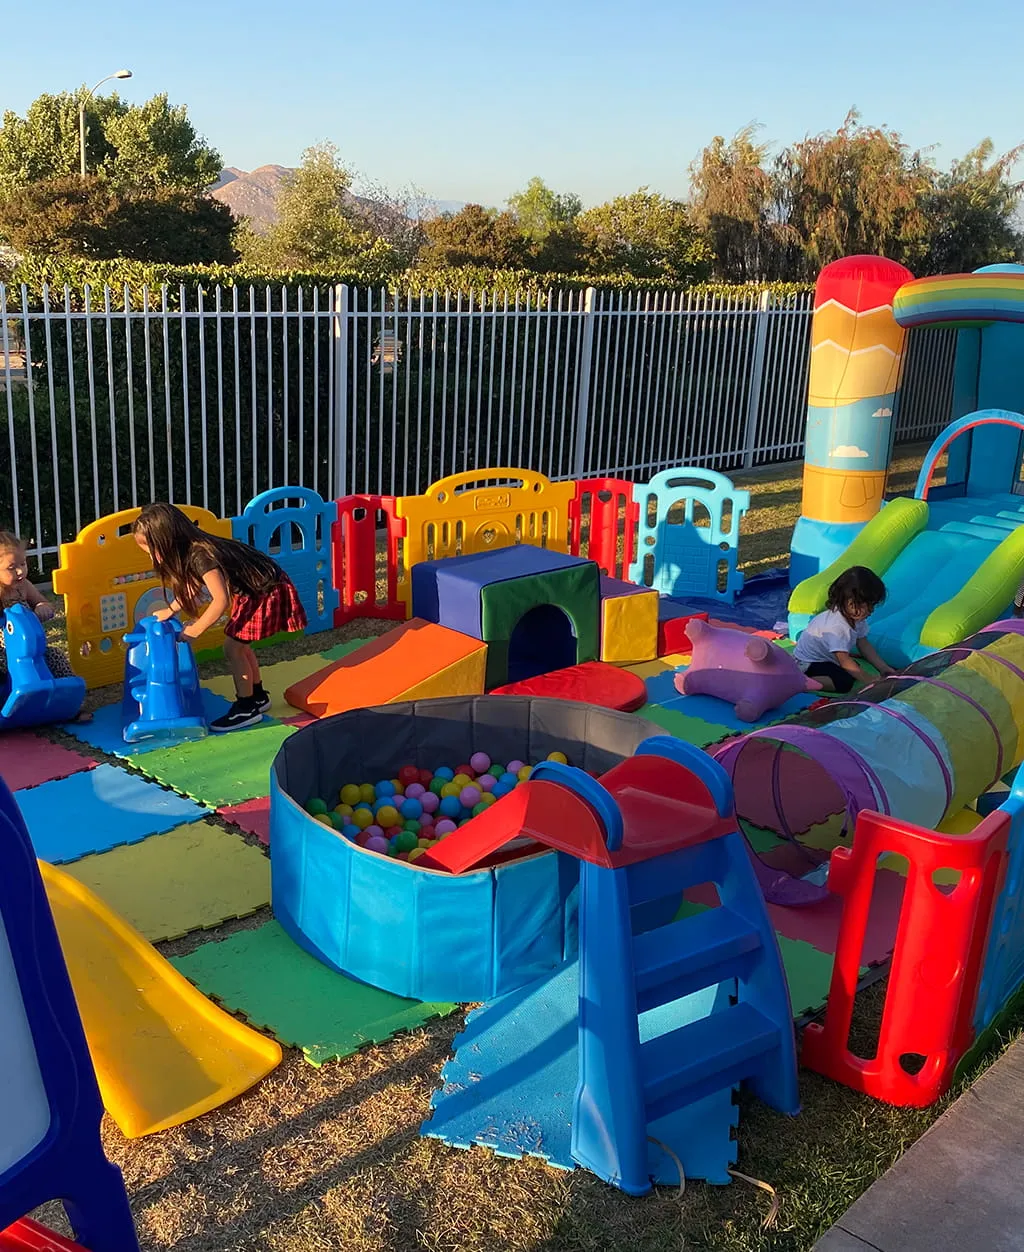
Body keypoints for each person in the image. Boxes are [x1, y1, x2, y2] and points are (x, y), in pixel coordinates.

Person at [133, 503, 307, 732]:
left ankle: (246, 708)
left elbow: (220, 601)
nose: (154, 559)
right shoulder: (192, 550)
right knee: (241, 645)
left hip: (266, 591)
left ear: (168, 539)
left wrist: (195, 629)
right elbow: (192, 587)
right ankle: (257, 697)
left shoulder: (201, 555)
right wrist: (171, 609)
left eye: (154, 551)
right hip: (256, 590)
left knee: (233, 649)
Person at [0, 531, 91, 721]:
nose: (20, 571)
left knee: (55, 655)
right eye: (11, 567)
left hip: (34, 650)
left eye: (23, 564)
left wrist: (42, 608)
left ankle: (72, 703)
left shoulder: (24, 587)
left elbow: (43, 602)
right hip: (4, 651)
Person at [793, 565, 896, 693]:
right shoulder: (838, 627)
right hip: (808, 663)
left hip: (827, 659)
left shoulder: (857, 619)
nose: (871, 611)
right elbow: (845, 661)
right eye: (868, 606)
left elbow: (863, 644)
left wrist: (883, 668)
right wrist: (869, 680)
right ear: (850, 603)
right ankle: (800, 681)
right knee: (843, 682)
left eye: (873, 605)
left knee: (855, 669)